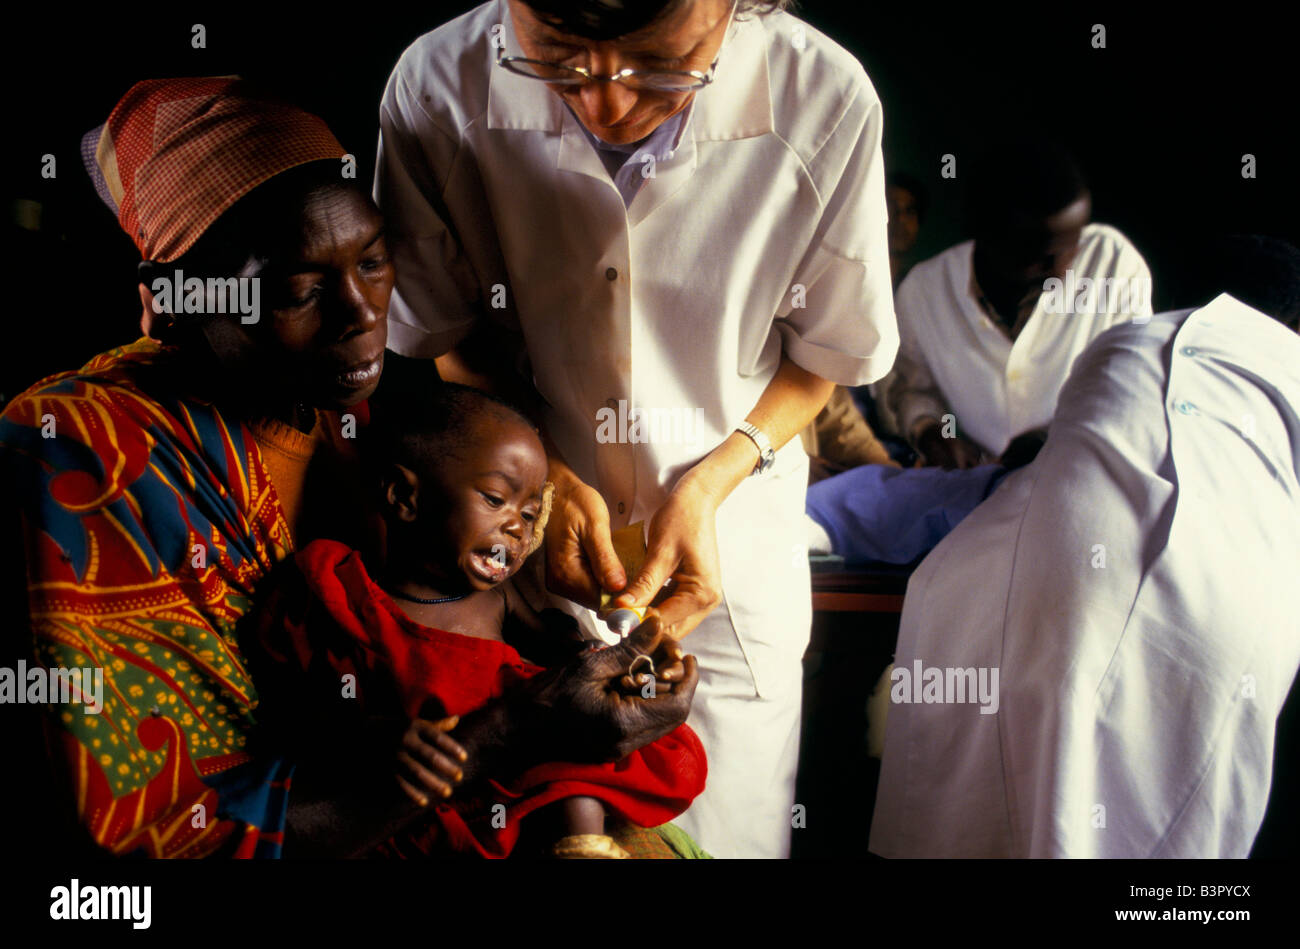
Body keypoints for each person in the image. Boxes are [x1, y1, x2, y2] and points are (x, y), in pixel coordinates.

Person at [0, 77, 697, 859]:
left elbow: (417, 637)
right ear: (169, 299)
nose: (362, 315)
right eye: (298, 289)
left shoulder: (342, 424)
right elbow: (156, 829)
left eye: (373, 261)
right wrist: (511, 730)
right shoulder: (80, 446)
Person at [375, 0, 897, 856]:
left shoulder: (826, 99)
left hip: (731, 552)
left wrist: (712, 479)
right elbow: (447, 333)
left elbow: (829, 355)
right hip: (526, 552)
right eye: (560, 61)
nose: (606, 104)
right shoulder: (435, 89)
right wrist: (550, 477)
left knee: (723, 834)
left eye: (661, 66)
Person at [869, 287, 1300, 857]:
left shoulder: (1119, 344)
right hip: (1224, 609)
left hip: (1025, 589)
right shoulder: (1280, 366)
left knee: (1012, 804)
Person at [251, 379, 707, 858]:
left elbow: (551, 641)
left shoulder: (500, 598)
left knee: (569, 765)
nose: (516, 527)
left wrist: (619, 663)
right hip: (431, 778)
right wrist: (381, 736)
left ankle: (581, 846)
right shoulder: (345, 589)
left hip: (514, 763)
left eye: (530, 515)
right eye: (495, 500)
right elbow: (307, 705)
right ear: (405, 498)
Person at [884, 139, 1153, 469]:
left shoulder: (1114, 264)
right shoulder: (923, 291)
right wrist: (932, 431)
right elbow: (915, 391)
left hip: (1088, 468)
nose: (1061, 271)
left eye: (1072, 247)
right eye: (1038, 254)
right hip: (984, 482)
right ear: (983, 235)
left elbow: (1134, 385)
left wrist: (1053, 438)